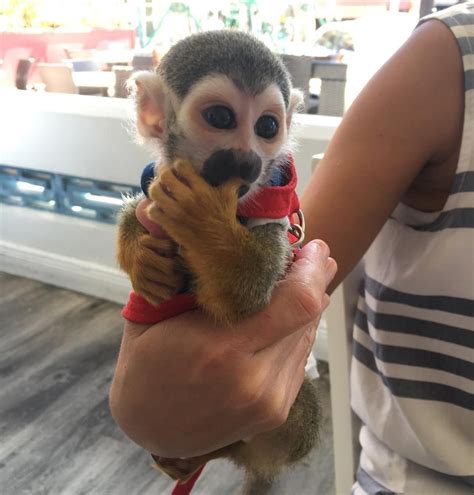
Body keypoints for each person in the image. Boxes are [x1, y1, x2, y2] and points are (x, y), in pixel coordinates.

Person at [110, 3, 474, 493]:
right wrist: (137, 248)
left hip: (281, 415)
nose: (245, 152)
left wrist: (208, 230)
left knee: (301, 423)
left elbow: (245, 295)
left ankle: (217, 448)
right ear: (155, 113)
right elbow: (145, 248)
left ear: (287, 128)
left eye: (265, 128)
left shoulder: (271, 211)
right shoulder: (446, 54)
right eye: (219, 116)